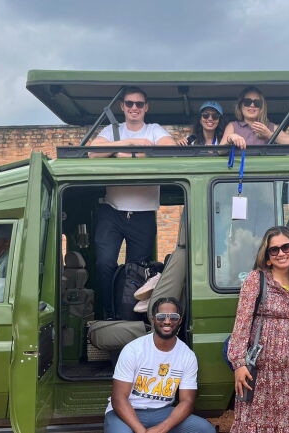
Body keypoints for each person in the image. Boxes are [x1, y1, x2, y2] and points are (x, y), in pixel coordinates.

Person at [89, 86, 175, 320]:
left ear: (146, 107)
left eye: (139, 104)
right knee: (104, 264)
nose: (134, 108)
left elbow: (170, 149)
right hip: (113, 211)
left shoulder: (154, 130)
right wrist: (129, 145)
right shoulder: (112, 130)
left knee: (137, 271)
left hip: (144, 214)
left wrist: (129, 154)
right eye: (129, 104)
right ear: (122, 107)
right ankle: (107, 315)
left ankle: (130, 319)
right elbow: (92, 153)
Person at [227, 226, 289, 433]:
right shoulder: (256, 280)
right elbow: (241, 325)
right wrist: (239, 364)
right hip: (264, 376)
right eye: (275, 250)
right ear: (268, 256)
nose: (281, 253)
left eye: (286, 247)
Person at [104, 297, 216, 433]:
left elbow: (187, 401)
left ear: (180, 320)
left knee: (205, 429)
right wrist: (141, 431)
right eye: (161, 316)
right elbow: (119, 398)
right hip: (127, 411)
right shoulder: (133, 349)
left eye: (173, 317)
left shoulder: (187, 355)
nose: (167, 321)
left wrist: (162, 429)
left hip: (162, 412)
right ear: (153, 319)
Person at [222, 86, 289, 149]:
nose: (252, 105)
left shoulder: (270, 126)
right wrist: (231, 137)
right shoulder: (233, 126)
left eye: (257, 103)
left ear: (262, 107)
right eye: (247, 102)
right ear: (240, 105)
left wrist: (269, 135)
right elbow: (220, 151)